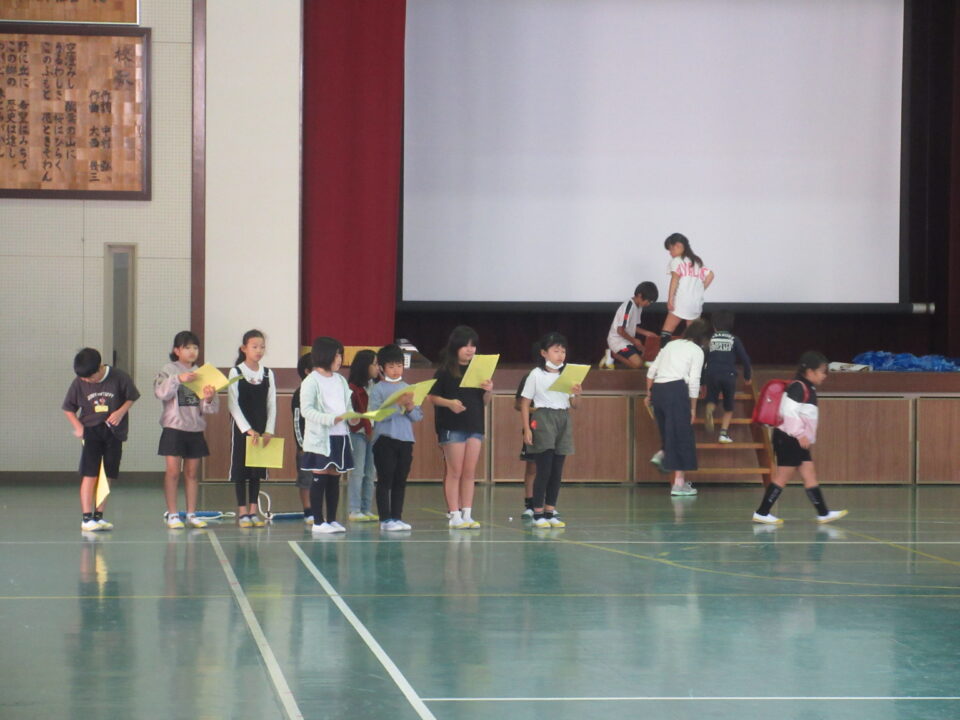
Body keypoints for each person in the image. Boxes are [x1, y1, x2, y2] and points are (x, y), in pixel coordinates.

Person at [753, 351, 848, 525]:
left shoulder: (807, 388)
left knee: (809, 474)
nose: (825, 376)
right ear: (810, 371)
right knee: (782, 477)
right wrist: (800, 434)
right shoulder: (798, 387)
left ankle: (823, 513)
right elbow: (788, 412)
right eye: (822, 371)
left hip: (796, 439)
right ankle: (762, 512)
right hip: (789, 438)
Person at [62, 348, 140, 532]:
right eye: (84, 379)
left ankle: (98, 516)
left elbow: (131, 397)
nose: (87, 381)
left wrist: (120, 412)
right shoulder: (79, 382)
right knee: (90, 474)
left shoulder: (119, 377)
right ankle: (86, 518)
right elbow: (68, 408)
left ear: (99, 367)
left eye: (90, 378)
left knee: (107, 474)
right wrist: (79, 428)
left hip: (114, 432)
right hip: (91, 431)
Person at [428, 325, 493, 529]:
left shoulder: (479, 371)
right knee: (454, 471)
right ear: (456, 347)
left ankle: (467, 513)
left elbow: (484, 401)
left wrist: (488, 390)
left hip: (474, 425)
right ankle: (454, 514)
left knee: (470, 472)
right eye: (465, 345)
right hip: (452, 426)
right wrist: (450, 403)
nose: (470, 349)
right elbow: (432, 397)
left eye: (473, 346)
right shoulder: (445, 371)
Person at [154, 331, 219, 529]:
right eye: (187, 347)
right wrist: (178, 379)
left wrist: (209, 398)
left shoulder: (203, 373)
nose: (192, 352)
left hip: (195, 428)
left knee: (192, 473)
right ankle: (173, 514)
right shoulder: (168, 370)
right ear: (177, 350)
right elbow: (161, 393)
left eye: (195, 348)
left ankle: (191, 513)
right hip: (174, 427)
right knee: (173, 472)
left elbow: (211, 408)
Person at [520, 332, 581, 528]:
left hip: (563, 418)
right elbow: (524, 403)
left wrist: (577, 394)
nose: (560, 355)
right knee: (544, 470)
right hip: (543, 417)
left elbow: (575, 405)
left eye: (563, 351)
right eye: (556, 351)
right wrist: (527, 429)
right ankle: (537, 513)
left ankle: (550, 511)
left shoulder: (567, 375)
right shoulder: (536, 374)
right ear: (544, 353)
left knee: (557, 471)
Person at [645, 319, 712, 496]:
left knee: (669, 431)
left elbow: (651, 371)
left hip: (658, 390)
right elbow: (695, 381)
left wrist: (649, 394)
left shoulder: (670, 345)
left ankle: (663, 453)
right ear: (703, 337)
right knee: (683, 436)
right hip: (676, 390)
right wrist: (693, 408)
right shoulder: (697, 350)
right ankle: (679, 484)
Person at [299, 336, 354, 535]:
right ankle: (318, 521)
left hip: (340, 435)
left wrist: (353, 417)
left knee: (334, 478)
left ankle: (331, 519)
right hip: (320, 438)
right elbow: (307, 410)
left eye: (340, 355)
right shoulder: (311, 381)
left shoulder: (340, 380)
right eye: (337, 355)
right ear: (325, 355)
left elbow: (347, 406)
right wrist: (331, 419)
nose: (340, 359)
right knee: (320, 476)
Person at [368, 344, 424, 531]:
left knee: (400, 480)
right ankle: (385, 520)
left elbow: (417, 417)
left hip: (406, 440)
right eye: (391, 366)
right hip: (384, 440)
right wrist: (396, 405)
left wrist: (409, 407)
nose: (396, 370)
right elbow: (375, 415)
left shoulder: (409, 388)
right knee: (385, 480)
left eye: (399, 365)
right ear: (381, 368)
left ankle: (397, 517)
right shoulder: (378, 389)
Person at [227, 329, 276, 528]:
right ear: (244, 348)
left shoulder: (268, 373)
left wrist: (269, 430)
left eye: (262, 347)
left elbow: (271, 403)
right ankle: (242, 512)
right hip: (242, 430)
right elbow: (233, 404)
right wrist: (247, 429)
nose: (259, 350)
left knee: (257, 471)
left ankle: (253, 511)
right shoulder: (236, 372)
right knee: (241, 470)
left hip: (262, 428)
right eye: (254, 347)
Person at [703, 311, 752, 443]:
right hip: (728, 375)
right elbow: (745, 360)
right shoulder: (734, 339)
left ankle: (710, 407)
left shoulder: (710, 339)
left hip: (711, 373)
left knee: (712, 398)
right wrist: (747, 376)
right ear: (731, 325)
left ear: (714, 326)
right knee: (729, 407)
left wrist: (702, 380)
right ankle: (723, 434)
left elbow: (702, 359)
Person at [660, 233, 714, 347]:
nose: (670, 253)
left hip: (681, 301)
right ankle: (693, 357)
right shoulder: (697, 261)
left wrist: (670, 299)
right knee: (693, 336)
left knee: (666, 332)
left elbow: (674, 280)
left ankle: (664, 355)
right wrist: (700, 289)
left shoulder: (677, 261)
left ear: (678, 245)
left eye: (671, 249)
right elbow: (711, 275)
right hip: (695, 304)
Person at [346, 349, 380, 521]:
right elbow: (353, 416)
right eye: (374, 364)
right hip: (358, 434)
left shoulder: (376, 386)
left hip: (373, 433)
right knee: (357, 472)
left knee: (370, 472)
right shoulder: (352, 388)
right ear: (364, 366)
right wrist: (366, 428)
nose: (377, 367)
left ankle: (366, 508)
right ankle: (354, 509)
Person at [603, 281, 659, 369]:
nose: (648, 304)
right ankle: (613, 354)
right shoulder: (628, 307)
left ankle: (621, 353)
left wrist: (647, 333)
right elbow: (620, 330)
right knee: (638, 364)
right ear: (640, 295)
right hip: (618, 341)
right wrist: (634, 341)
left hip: (627, 340)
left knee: (646, 356)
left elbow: (632, 326)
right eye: (648, 301)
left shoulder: (639, 306)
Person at [291, 352, 316, 526]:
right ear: (307, 371)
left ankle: (317, 509)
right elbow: (297, 421)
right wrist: (301, 445)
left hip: (321, 444)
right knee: (306, 479)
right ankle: (308, 510)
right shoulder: (300, 393)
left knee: (319, 479)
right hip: (306, 445)